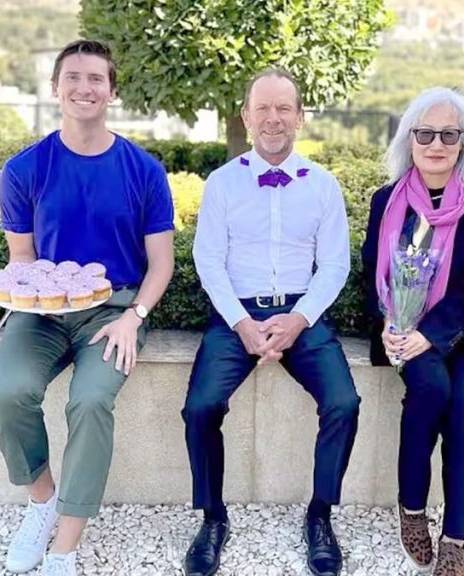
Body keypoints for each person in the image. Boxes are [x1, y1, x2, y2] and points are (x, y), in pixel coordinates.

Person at [0, 39, 175, 576]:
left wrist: (134, 317)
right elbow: (22, 257)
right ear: (55, 88)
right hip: (42, 312)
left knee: (91, 402)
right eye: (72, 77)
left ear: (112, 92)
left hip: (114, 312)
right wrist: (23, 296)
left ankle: (64, 547)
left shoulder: (144, 170)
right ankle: (42, 502)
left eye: (96, 78)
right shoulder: (25, 169)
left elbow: (161, 263)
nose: (84, 87)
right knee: (9, 393)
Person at [181, 69, 361, 576]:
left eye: (284, 108)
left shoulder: (323, 186)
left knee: (344, 403)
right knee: (200, 407)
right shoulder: (222, 183)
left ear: (300, 117)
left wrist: (299, 319)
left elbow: (335, 265)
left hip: (303, 313)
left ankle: (320, 515)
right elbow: (208, 261)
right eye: (263, 108)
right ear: (247, 116)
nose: (273, 118)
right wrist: (242, 324)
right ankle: (213, 519)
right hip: (236, 315)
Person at [360, 87, 464, 576]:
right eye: (425, 133)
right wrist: (388, 322)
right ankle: (411, 508)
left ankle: (457, 537)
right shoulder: (387, 202)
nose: (436, 144)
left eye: (449, 134)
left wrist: (431, 332)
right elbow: (371, 271)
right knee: (430, 388)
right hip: (402, 329)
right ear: (409, 139)